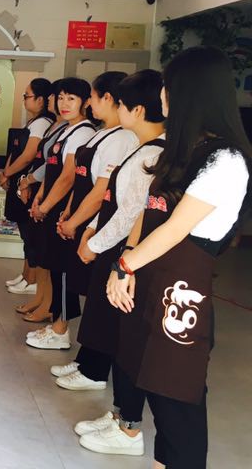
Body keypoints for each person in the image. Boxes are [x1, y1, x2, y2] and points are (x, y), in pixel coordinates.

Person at [107, 47, 251, 468]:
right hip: (152, 282)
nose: (162, 95)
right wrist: (130, 257)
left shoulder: (225, 160)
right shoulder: (183, 151)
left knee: (177, 399)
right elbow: (149, 214)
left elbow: (176, 228)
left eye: (168, 87)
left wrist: (124, 266)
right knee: (153, 387)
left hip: (181, 295)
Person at [70, 70, 166, 456]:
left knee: (126, 342)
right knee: (117, 337)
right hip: (118, 252)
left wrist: (94, 243)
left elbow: (129, 215)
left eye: (122, 104)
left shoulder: (152, 154)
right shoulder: (140, 147)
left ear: (137, 109)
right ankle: (120, 415)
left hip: (128, 257)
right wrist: (94, 232)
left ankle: (128, 427)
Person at [39, 72, 137, 357]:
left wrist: (76, 221)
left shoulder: (122, 138)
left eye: (90, 98)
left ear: (108, 98)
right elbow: (82, 181)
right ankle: (75, 347)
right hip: (80, 219)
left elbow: (101, 190)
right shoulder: (102, 133)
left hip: (96, 224)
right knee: (68, 276)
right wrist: (69, 212)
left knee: (92, 291)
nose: (90, 104)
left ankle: (80, 352)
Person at [26, 77, 94, 350]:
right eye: (61, 97)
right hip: (52, 206)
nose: (64, 104)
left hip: (63, 211)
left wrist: (45, 206)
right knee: (54, 267)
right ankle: (55, 323)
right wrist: (40, 195)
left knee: (64, 270)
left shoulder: (83, 133)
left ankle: (61, 329)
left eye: (71, 99)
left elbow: (67, 177)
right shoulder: (67, 129)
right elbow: (51, 170)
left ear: (86, 102)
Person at [15, 81, 68, 320]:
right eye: (58, 97)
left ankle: (50, 308)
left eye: (68, 98)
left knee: (50, 256)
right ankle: (40, 299)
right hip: (43, 193)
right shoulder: (56, 127)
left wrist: (30, 182)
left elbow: (63, 172)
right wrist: (33, 186)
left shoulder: (78, 131)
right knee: (41, 250)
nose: (57, 102)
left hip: (56, 201)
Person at [0, 78, 55, 294]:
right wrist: (6, 172)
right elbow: (15, 153)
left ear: (41, 99)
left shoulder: (42, 123)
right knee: (25, 233)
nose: (24, 100)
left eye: (27, 96)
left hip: (29, 184)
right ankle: (25, 275)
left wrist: (8, 173)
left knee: (30, 234)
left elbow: (28, 156)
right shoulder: (33, 122)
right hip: (19, 180)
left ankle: (32, 279)